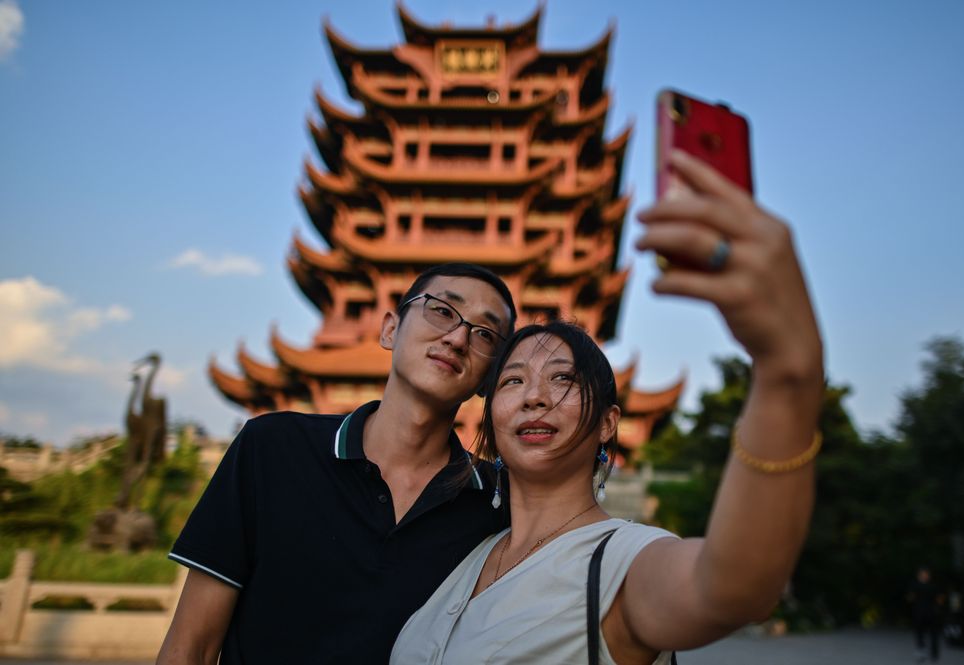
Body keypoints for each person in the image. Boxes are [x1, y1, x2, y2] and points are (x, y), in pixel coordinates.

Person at [391, 149, 825, 664]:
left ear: (608, 424)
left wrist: (785, 377)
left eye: (563, 380)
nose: (535, 396)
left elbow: (730, 586)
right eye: (511, 381)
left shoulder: (620, 560)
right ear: (489, 417)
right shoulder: (467, 557)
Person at [157, 263, 516, 664]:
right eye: (442, 311)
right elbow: (191, 645)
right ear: (390, 329)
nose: (457, 338)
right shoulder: (272, 449)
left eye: (485, 333)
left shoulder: (496, 504)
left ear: (490, 378)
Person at [909, 566, 945, 662]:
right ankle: (921, 652)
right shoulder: (915, 585)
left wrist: (938, 606)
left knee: (934, 634)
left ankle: (934, 654)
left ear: (929, 575)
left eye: (926, 574)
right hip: (919, 612)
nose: (924, 576)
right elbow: (911, 598)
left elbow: (940, 597)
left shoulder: (934, 586)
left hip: (932, 613)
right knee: (919, 633)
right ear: (919, 575)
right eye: (922, 574)